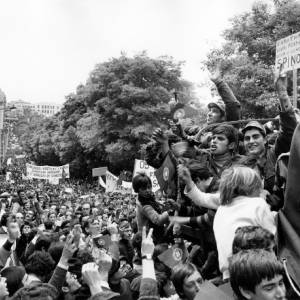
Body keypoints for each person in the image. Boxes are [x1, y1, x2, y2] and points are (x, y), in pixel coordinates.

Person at [213, 165, 276, 280]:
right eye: (258, 186)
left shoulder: (221, 209)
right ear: (250, 187)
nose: (260, 190)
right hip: (256, 270)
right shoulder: (258, 203)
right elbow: (273, 237)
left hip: (228, 274)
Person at [133, 173, 169, 244]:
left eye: (149, 187)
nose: (147, 190)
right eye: (144, 188)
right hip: (150, 239)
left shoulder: (148, 198)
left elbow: (156, 204)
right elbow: (158, 220)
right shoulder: (144, 205)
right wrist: (170, 211)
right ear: (137, 190)